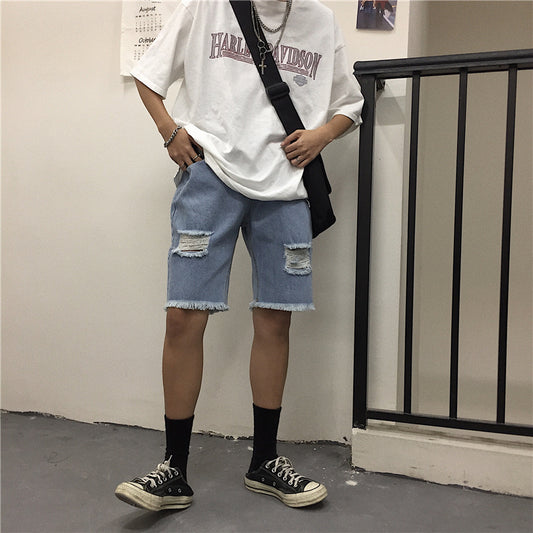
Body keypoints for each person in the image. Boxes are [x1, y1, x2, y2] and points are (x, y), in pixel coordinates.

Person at [115, 0, 363, 511]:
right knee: (184, 316)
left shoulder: (320, 20)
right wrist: (170, 132)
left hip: (287, 186)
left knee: (276, 320)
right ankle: (173, 469)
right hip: (211, 175)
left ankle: (265, 462)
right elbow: (148, 74)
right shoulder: (208, 6)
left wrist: (321, 135)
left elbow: (350, 103)